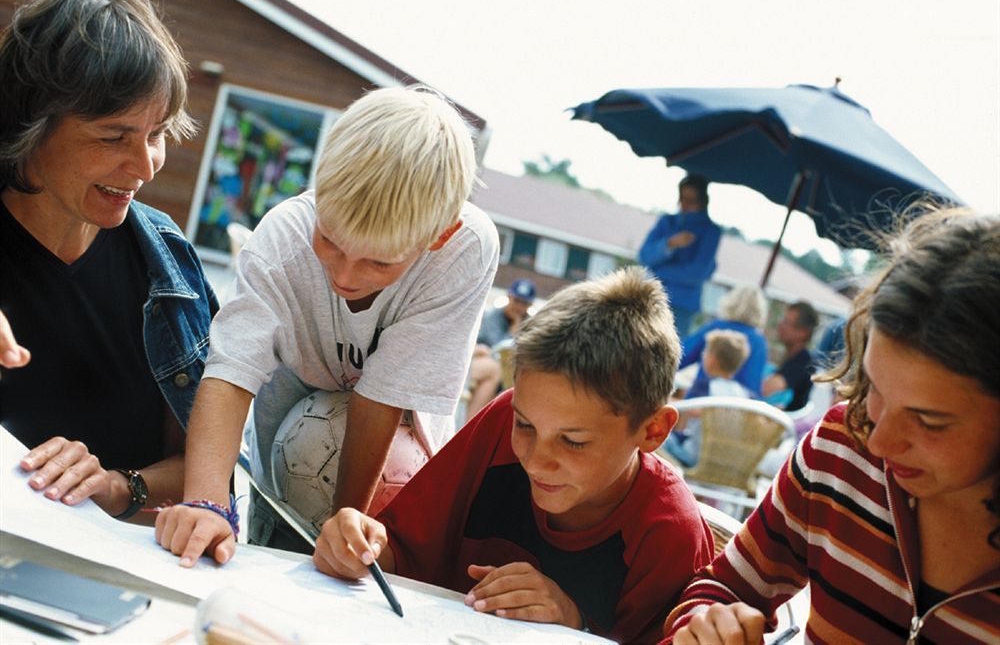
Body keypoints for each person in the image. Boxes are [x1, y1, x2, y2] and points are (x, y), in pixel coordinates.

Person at [154, 85, 500, 564]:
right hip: (286, 428)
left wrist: (346, 524)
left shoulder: (469, 248)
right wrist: (207, 504)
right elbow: (230, 372)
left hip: (399, 448)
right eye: (330, 241)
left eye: (379, 263)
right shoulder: (282, 235)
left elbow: (383, 396)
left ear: (440, 236)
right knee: (266, 548)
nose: (344, 275)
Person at [314, 267, 714, 643]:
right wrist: (360, 546)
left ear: (653, 430)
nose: (536, 461)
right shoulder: (501, 418)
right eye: (525, 426)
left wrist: (573, 625)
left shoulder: (670, 534)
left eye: (573, 441)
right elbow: (403, 552)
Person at [663, 207, 1000, 644]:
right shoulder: (841, 447)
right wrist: (706, 624)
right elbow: (722, 588)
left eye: (928, 421)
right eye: (874, 387)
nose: (877, 442)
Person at [0, 0, 217, 523]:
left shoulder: (167, 264)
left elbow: (211, 473)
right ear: (30, 124)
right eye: (113, 137)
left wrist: (120, 487)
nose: (145, 167)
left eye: (158, 134)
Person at [638, 173, 721, 338]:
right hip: (650, 297)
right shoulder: (667, 222)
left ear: (702, 202)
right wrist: (669, 244)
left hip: (681, 305)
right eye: (682, 198)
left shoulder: (710, 231)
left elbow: (697, 273)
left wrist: (658, 271)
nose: (684, 205)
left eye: (691, 201)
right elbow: (643, 256)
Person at [662, 329, 753, 467]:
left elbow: (688, 409)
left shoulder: (704, 386)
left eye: (705, 352)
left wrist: (662, 401)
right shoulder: (745, 395)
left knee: (661, 440)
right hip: (725, 463)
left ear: (712, 359)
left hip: (695, 458)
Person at [465, 278, 536, 422]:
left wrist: (517, 327)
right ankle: (470, 424)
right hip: (487, 370)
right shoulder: (493, 316)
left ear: (529, 305)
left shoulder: (531, 325)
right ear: (509, 297)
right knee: (494, 370)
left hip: (512, 379)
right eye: (516, 300)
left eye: (523, 303)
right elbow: (495, 346)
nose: (518, 307)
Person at [679, 285, 768, 398]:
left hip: (701, 399)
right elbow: (753, 385)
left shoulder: (716, 328)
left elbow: (681, 356)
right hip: (738, 407)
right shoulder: (759, 342)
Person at [761, 300, 818, 411]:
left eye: (786, 322)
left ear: (803, 332)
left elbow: (765, 388)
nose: (780, 325)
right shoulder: (792, 357)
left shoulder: (804, 362)